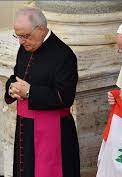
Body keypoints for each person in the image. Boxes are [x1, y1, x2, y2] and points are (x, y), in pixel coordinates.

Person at [4, 8, 80, 177]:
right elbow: (15, 76)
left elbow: (65, 97)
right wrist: (12, 88)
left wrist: (30, 92)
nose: (21, 42)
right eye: (18, 36)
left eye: (25, 36)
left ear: (40, 29)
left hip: (53, 131)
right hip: (25, 127)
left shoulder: (64, 55)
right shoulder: (25, 46)